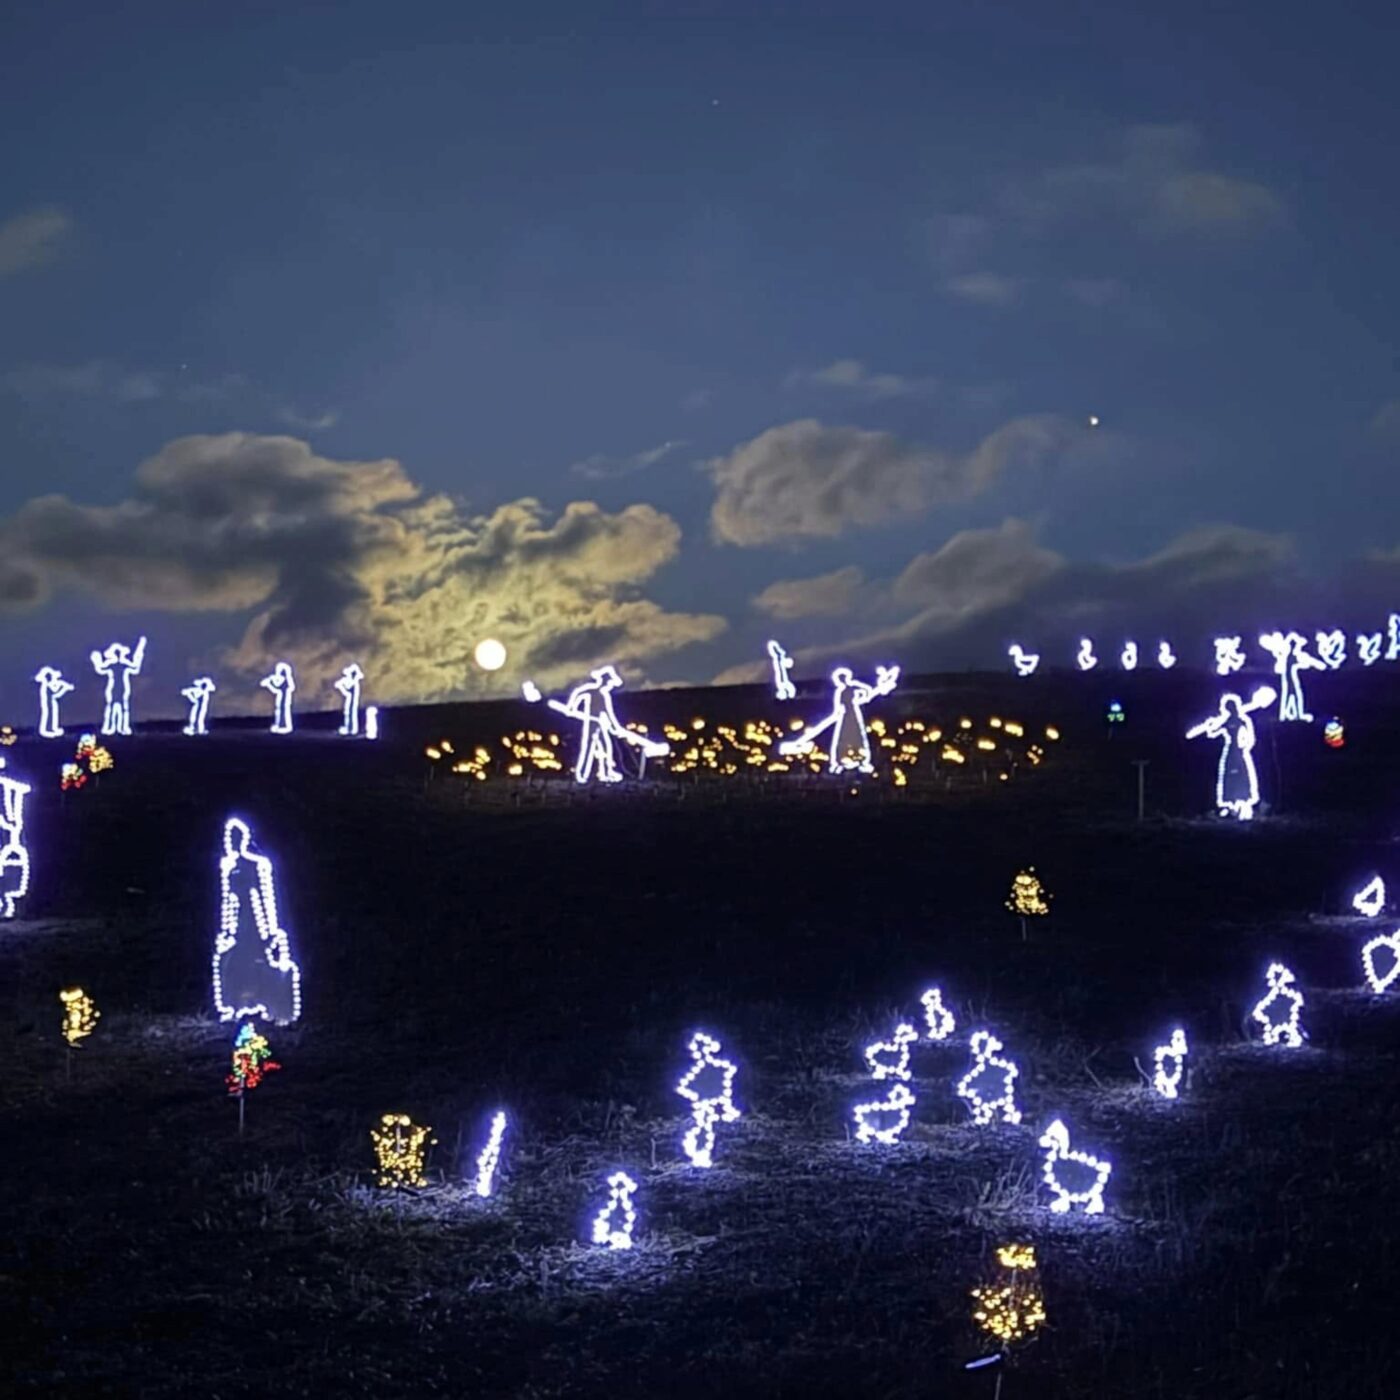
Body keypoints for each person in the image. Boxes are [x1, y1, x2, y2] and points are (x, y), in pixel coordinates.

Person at [213, 817, 301, 1024]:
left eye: (235, 838)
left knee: (260, 961)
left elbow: (266, 897)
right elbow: (227, 898)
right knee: (235, 962)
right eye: (230, 839)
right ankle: (237, 1005)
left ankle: (267, 1005)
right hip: (237, 924)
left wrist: (271, 929)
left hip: (255, 922)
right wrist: (227, 928)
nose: (232, 843)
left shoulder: (256, 865)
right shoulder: (228, 866)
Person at [780, 664, 899, 774]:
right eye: (840, 679)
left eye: (843, 678)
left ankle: (862, 761)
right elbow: (839, 706)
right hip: (844, 716)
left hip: (853, 714)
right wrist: (838, 712)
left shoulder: (853, 687)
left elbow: (866, 690)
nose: (842, 681)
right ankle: (839, 763)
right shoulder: (840, 691)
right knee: (842, 738)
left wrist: (863, 695)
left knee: (857, 736)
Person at [1186, 687, 1275, 821]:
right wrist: (1210, 725)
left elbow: (1250, 738)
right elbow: (1212, 733)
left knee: (1242, 776)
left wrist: (1245, 746)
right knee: (1230, 777)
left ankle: (1244, 807)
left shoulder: (1243, 720)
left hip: (1240, 752)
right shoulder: (1226, 720)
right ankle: (1232, 808)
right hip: (1230, 752)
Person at [90, 636, 147, 736]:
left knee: (123, 707)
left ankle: (122, 727)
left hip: (122, 688)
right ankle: (110, 727)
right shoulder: (112, 664)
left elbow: (135, 668)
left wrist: (140, 650)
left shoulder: (123, 664)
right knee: (112, 706)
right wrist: (96, 660)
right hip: (113, 688)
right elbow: (101, 669)